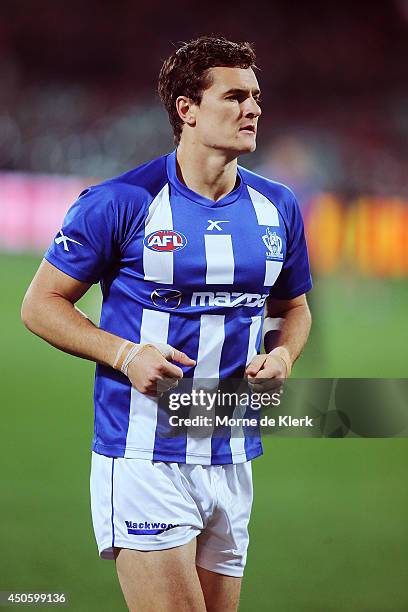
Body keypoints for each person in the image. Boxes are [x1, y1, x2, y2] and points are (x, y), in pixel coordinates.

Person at [21, 35, 312, 612]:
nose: (253, 108)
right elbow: (41, 305)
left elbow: (294, 309)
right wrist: (126, 355)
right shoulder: (120, 201)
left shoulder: (277, 206)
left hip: (232, 456)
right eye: (234, 96)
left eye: (256, 96)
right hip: (143, 456)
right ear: (187, 109)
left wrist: (283, 356)